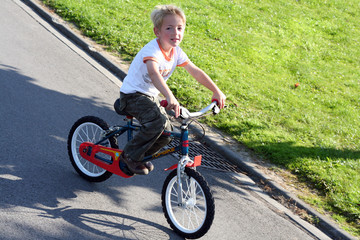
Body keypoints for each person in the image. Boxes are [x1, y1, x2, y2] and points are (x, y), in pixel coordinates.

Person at [118, 5, 226, 175]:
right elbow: (154, 73)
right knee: (158, 123)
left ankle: (139, 156)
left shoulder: (176, 52)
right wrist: (170, 97)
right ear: (157, 32)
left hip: (149, 96)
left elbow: (195, 71)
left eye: (179, 28)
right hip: (131, 96)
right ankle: (129, 156)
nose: (175, 32)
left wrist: (216, 90)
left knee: (167, 133)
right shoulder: (152, 51)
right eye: (169, 28)